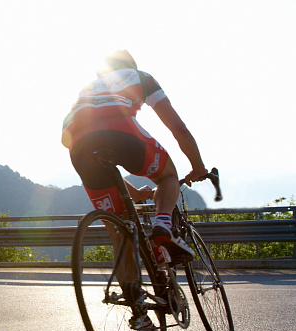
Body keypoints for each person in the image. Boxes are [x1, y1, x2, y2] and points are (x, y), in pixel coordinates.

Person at [62, 49, 208, 264]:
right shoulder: (140, 76)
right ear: (131, 64)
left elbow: (70, 138)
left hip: (79, 148)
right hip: (122, 132)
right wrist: (198, 167)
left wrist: (136, 194)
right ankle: (163, 224)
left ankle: (132, 294)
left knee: (119, 236)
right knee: (168, 178)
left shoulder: (88, 88)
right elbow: (179, 128)